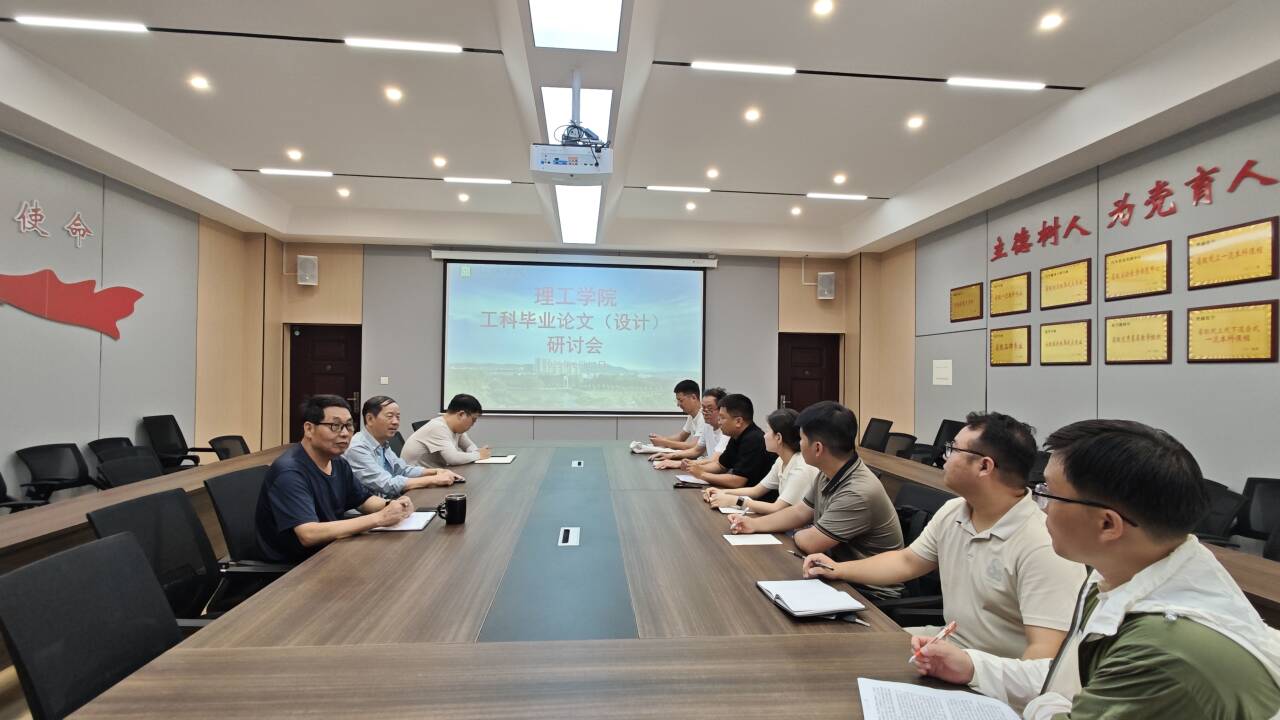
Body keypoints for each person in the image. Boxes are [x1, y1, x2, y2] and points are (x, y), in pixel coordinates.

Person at [911, 419, 1280, 720]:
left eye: (1048, 492)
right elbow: (1070, 676)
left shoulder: (1165, 650)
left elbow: (1068, 698)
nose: (1039, 505)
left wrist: (1046, 706)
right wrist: (973, 666)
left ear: (1107, 524)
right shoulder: (1119, 577)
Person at [803, 411, 1084, 660]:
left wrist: (972, 669)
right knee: (837, 648)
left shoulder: (1042, 544)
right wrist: (838, 569)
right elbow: (907, 562)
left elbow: (1044, 658)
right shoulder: (954, 511)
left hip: (994, 672)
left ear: (984, 466)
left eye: (953, 450)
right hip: (947, 643)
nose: (944, 458)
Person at [728, 401, 903, 601]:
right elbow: (800, 512)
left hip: (868, 592)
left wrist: (797, 532)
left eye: (802, 439)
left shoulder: (858, 491)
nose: (798, 444)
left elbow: (812, 543)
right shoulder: (829, 472)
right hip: (834, 571)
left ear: (817, 448)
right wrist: (753, 524)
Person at [255, 395, 415, 564]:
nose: (345, 433)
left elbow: (363, 500)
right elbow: (308, 534)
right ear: (309, 429)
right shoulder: (289, 472)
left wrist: (392, 505)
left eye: (348, 426)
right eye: (335, 426)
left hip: (331, 550)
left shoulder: (337, 462)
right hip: (297, 565)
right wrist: (380, 518)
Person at [704, 408, 817, 516]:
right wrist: (722, 492)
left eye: (768, 431)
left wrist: (735, 501)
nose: (764, 435)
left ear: (778, 437)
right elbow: (756, 491)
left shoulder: (800, 468)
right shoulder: (781, 460)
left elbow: (776, 508)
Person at [345, 395, 461, 498]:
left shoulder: (383, 443)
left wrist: (436, 471)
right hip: (368, 510)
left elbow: (402, 470)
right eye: (390, 416)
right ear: (370, 419)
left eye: (398, 417)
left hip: (389, 501)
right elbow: (387, 484)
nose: (395, 422)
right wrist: (433, 479)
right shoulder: (357, 447)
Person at [683, 393, 776, 489]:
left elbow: (738, 481)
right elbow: (721, 466)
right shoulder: (736, 436)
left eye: (722, 417)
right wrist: (694, 468)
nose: (719, 421)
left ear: (738, 421)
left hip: (759, 496)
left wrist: (702, 474)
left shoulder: (753, 439)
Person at [402, 393, 491, 468]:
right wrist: (478, 455)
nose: (473, 424)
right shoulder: (438, 427)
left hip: (434, 475)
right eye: (473, 420)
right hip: (416, 479)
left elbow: (469, 445)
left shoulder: (456, 428)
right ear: (461, 415)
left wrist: (476, 452)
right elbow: (453, 458)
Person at [654, 387, 727, 468]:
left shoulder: (727, 431)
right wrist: (670, 455)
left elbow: (716, 460)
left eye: (709, 408)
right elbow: (696, 450)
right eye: (703, 408)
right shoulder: (707, 425)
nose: (705, 412)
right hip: (709, 467)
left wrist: (679, 463)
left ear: (722, 410)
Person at [647, 379, 705, 451]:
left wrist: (663, 442)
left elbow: (693, 445)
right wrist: (661, 439)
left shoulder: (704, 416)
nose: (678, 404)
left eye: (681, 400)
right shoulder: (691, 415)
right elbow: (681, 437)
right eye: (677, 401)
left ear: (694, 397)